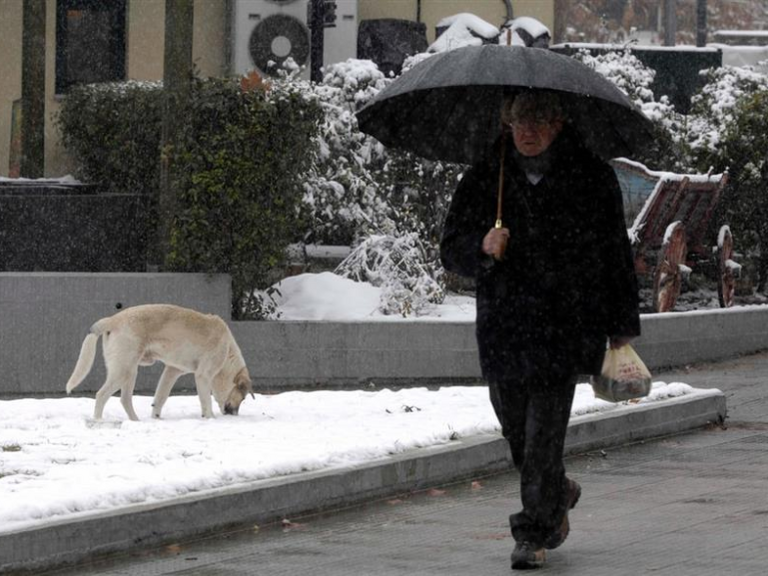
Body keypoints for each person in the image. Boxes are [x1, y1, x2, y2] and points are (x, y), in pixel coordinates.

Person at [440, 90, 640, 570]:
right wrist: (482, 245)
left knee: (543, 435)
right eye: (518, 121)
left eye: (538, 120)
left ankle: (532, 534)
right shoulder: (487, 176)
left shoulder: (592, 177)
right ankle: (559, 491)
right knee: (517, 432)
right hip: (504, 327)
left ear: (558, 123)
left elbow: (615, 253)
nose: (527, 131)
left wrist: (620, 325)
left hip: (565, 326)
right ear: (505, 124)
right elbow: (450, 249)